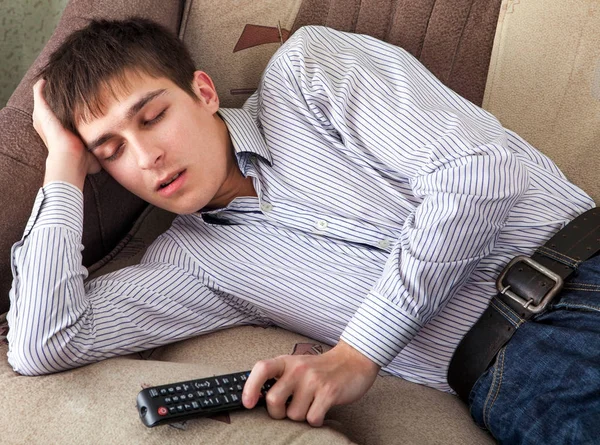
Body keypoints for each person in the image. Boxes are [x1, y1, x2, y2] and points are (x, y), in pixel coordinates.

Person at [6, 18, 598, 443]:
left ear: (203, 92)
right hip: (521, 379)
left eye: (153, 116)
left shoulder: (309, 74)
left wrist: (359, 351)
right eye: (110, 151)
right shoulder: (189, 266)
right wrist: (63, 168)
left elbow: (480, 175)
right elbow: (45, 341)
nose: (146, 157)